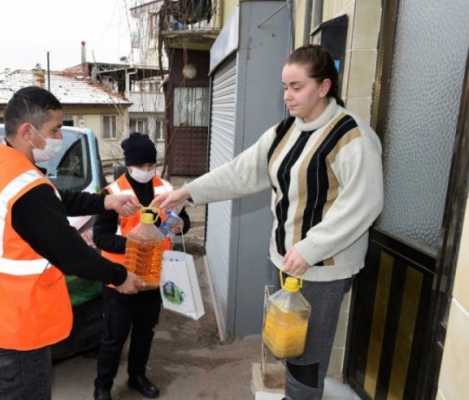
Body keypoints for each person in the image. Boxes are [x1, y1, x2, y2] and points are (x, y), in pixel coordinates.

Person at [151, 44, 384, 400]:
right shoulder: (287, 131)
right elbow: (242, 172)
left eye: (296, 87)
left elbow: (364, 203)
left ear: (323, 87)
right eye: (284, 87)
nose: (287, 96)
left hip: (322, 267)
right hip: (287, 263)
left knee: (307, 353)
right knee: (289, 342)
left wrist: (310, 248)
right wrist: (189, 192)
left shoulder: (353, 137)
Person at [0, 86, 144, 400]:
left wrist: (105, 202)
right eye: (54, 129)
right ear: (28, 131)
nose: (59, 138)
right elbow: (72, 255)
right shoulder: (27, 191)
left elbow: (53, 200)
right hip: (14, 334)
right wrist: (120, 277)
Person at [92, 132, 191, 400]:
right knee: (113, 338)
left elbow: (182, 220)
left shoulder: (167, 189)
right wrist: (136, 244)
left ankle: (137, 376)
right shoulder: (112, 194)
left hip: (154, 276)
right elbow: (100, 236)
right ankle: (103, 386)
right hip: (121, 279)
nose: (146, 171)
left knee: (145, 332)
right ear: (129, 165)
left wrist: (182, 224)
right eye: (141, 166)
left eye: (151, 166)